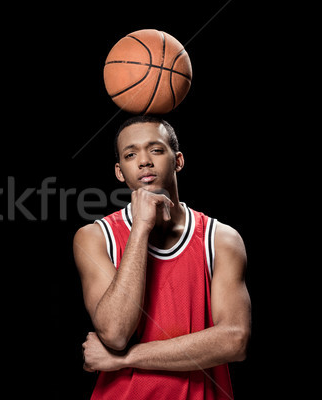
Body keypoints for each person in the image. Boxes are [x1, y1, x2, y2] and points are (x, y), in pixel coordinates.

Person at [73, 116, 251, 399]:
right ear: (120, 172)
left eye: (155, 149)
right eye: (131, 154)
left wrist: (124, 359)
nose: (144, 161)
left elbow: (234, 340)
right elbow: (115, 332)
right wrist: (141, 228)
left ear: (178, 160)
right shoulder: (94, 237)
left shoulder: (220, 239)